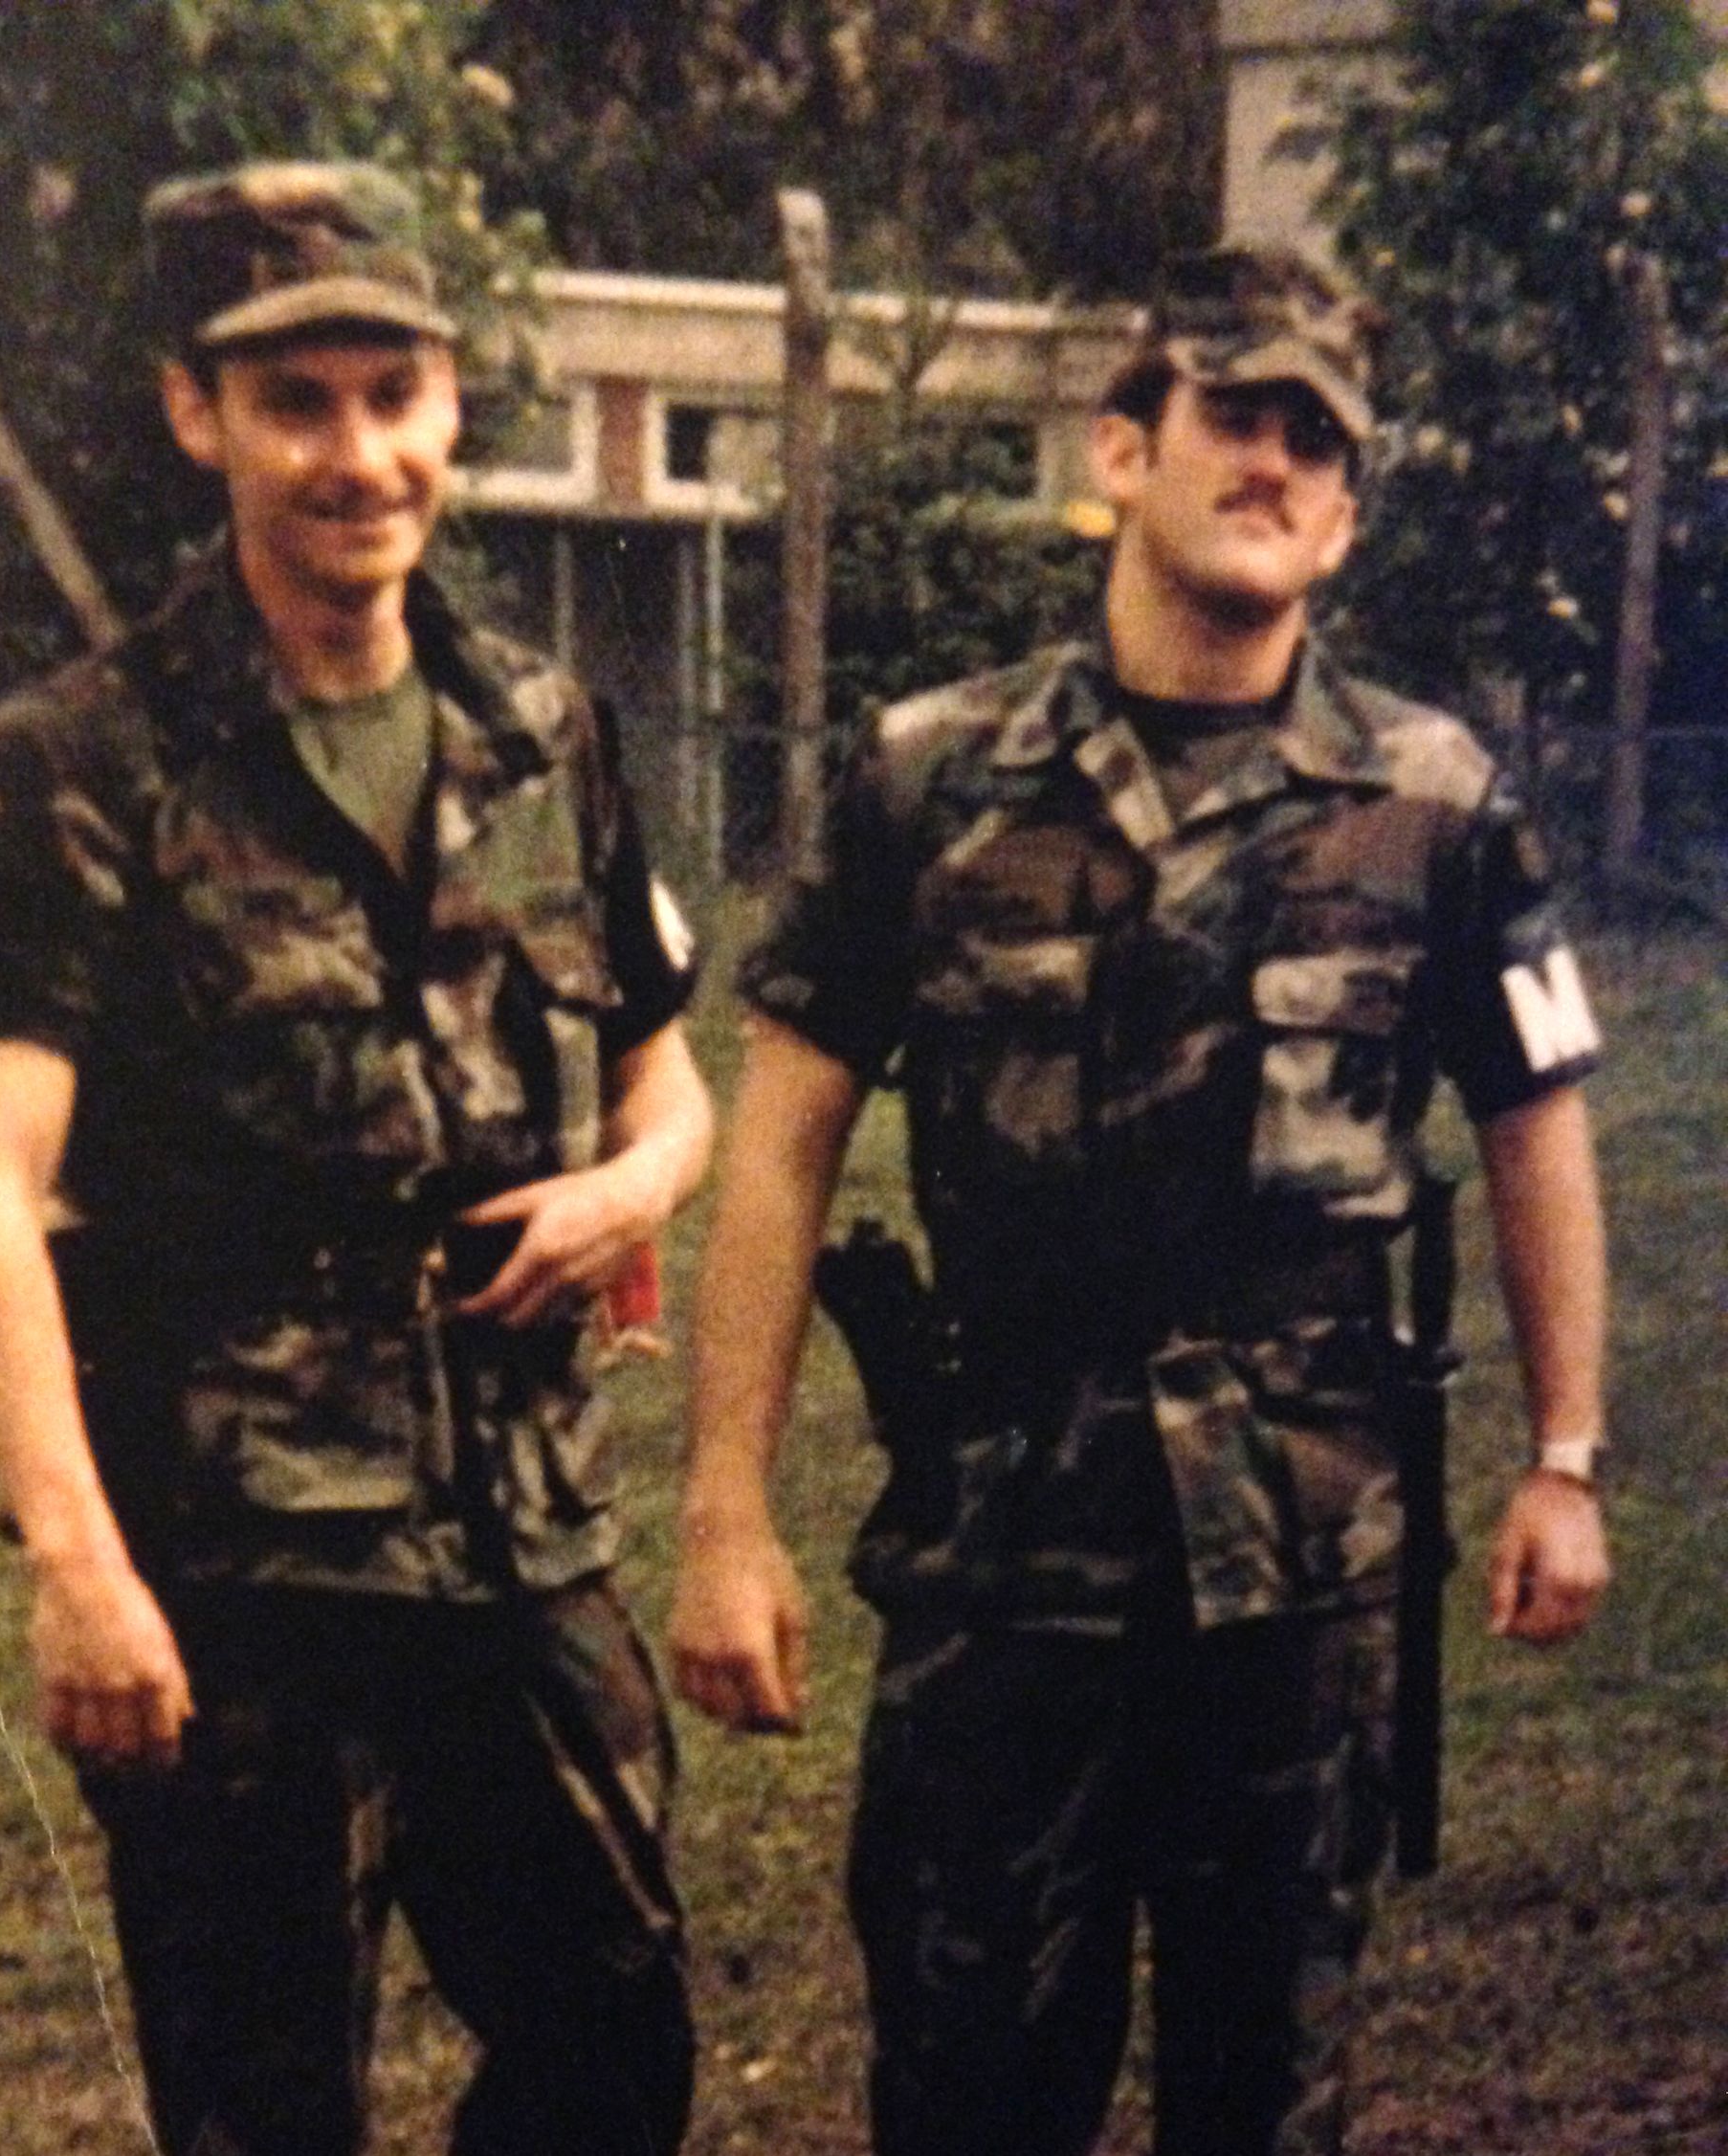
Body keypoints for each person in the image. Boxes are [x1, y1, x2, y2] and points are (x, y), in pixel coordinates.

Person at [668, 241, 1610, 2156]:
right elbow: (779, 1139)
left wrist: (1566, 1454)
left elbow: (1537, 1122)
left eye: (1317, 443)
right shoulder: (931, 777)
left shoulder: (1432, 798)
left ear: (1345, 517)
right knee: (971, 2090)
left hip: (1306, 1571)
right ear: (1121, 449)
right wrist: (724, 1512)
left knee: (1267, 2098)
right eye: (1234, 416)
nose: (1274, 464)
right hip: (1007, 1558)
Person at [0, 161, 712, 2156]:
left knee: (617, 2045)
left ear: (452, 404)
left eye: (393, 394)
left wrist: (629, 1193)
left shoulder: (544, 729)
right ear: (199, 414)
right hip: (239, 1572)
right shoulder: (77, 762)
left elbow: (670, 1082)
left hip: (521, 1538)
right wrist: (80, 1568)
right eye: (296, 403)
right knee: (265, 2111)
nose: (359, 456)